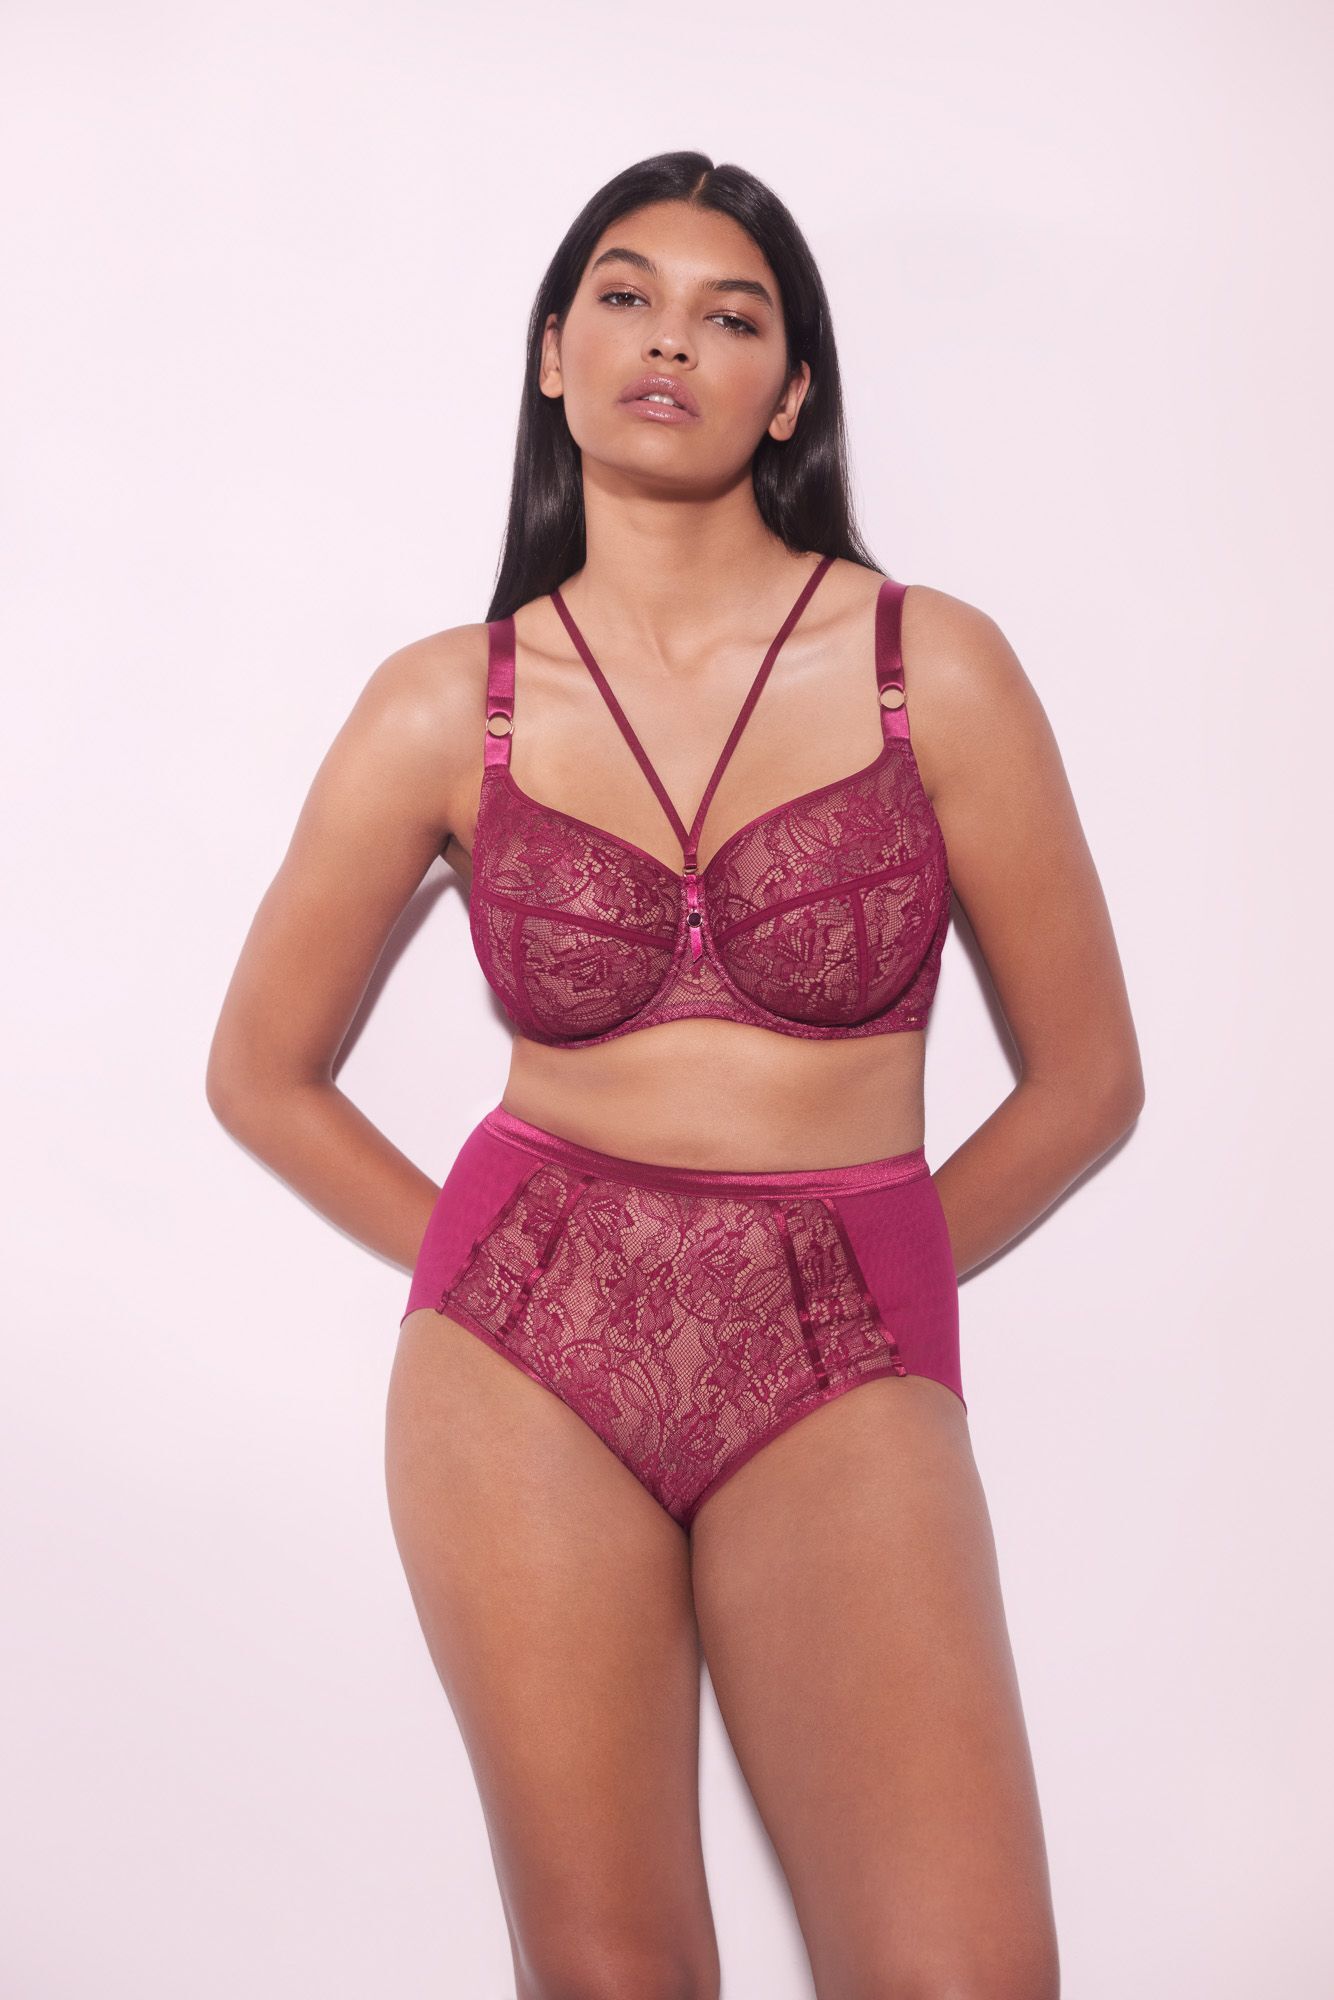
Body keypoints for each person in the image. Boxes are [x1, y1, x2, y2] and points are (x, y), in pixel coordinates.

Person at [206, 151, 1143, 2000]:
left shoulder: (928, 668)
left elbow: (1085, 1078)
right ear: (552, 354)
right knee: (614, 1974)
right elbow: (261, 1071)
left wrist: (860, 1284)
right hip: (522, 1360)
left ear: (787, 393)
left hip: (834, 1349)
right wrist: (499, 1264)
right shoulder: (446, 700)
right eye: (625, 298)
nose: (670, 341)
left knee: (962, 1972)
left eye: (731, 316)